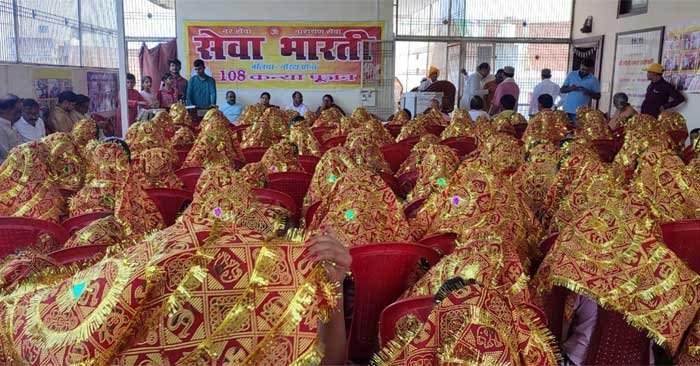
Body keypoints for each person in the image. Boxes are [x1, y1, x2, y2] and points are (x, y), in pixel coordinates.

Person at [561, 59, 601, 125]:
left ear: (591, 69)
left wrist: (588, 92)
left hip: (581, 113)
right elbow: (562, 90)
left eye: (587, 70)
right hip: (567, 109)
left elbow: (598, 96)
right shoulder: (571, 75)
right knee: (565, 132)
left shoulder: (594, 80)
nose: (584, 71)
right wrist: (571, 88)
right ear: (580, 66)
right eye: (582, 69)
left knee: (577, 132)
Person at [0, 94, 22, 163]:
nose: (20, 115)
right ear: (5, 110)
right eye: (18, 111)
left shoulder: (11, 125)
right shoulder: (1, 127)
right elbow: (6, 155)